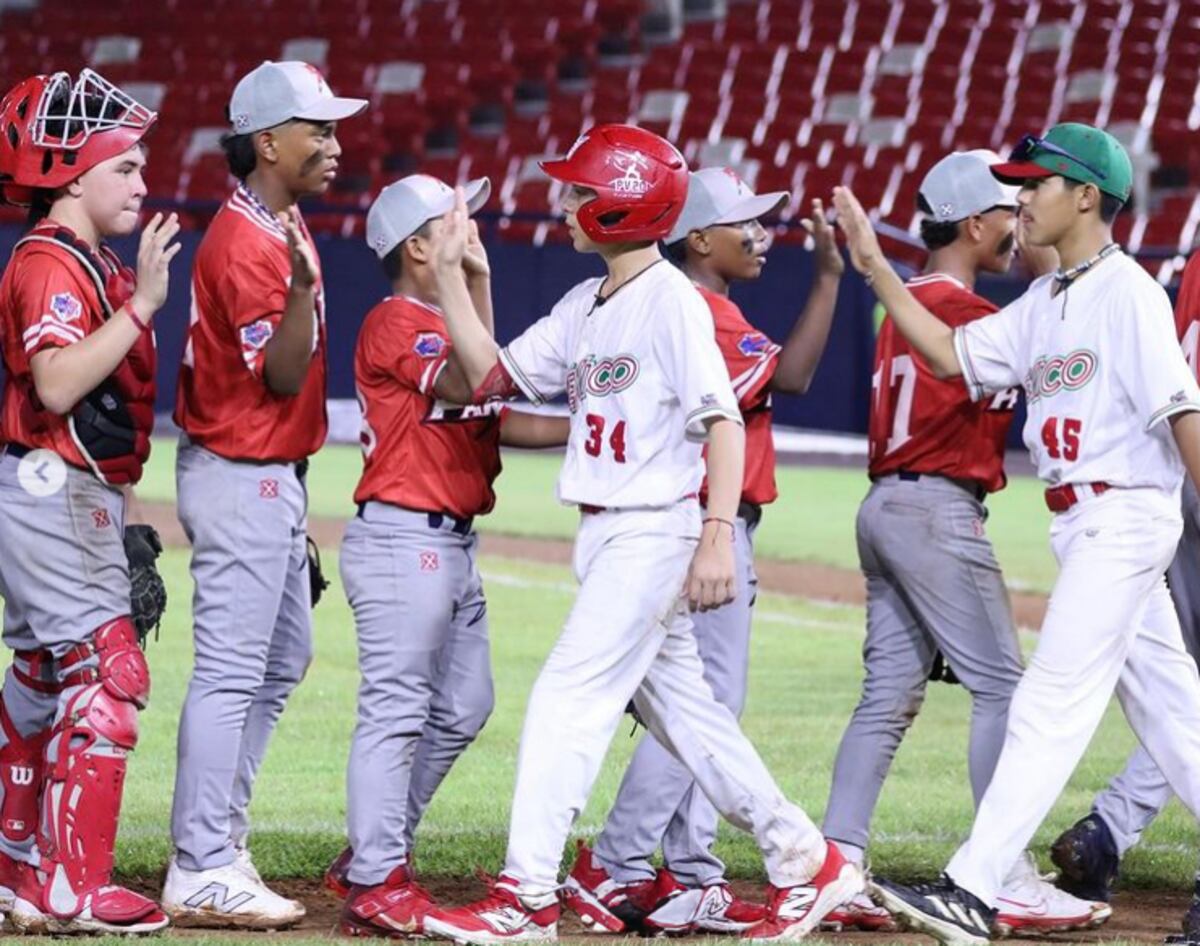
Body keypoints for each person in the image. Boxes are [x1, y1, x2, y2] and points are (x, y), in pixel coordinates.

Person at [415, 124, 863, 945]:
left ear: (625, 205)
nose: (565, 202)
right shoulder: (587, 304)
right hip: (611, 536)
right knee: (692, 721)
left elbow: (723, 423)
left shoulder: (673, 304)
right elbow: (492, 378)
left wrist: (717, 535)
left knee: (565, 699)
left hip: (655, 532)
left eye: (583, 191)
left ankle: (526, 897)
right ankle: (807, 860)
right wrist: (449, 276)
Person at [834, 123, 1200, 946]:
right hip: (1084, 522)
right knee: (1175, 715)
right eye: (1018, 185)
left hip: (1127, 515)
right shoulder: (1047, 302)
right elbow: (947, 354)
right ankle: (980, 881)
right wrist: (874, 268)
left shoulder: (1127, 291)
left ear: (1085, 197)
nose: (1021, 198)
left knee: (1048, 701)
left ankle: (974, 885)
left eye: (1034, 185)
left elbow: (1182, 410)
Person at [823, 150, 1107, 935]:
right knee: (1003, 691)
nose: (1019, 224)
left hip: (884, 503)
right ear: (977, 223)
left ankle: (836, 865)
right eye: (1008, 212)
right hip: (938, 508)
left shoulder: (901, 309)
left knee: (886, 696)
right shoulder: (975, 316)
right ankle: (1004, 872)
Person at [560, 166, 844, 936]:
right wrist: (827, 279)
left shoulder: (694, 306)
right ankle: (615, 864)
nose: (758, 234)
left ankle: (689, 871)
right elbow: (794, 374)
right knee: (702, 711)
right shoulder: (701, 311)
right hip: (702, 528)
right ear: (696, 238)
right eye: (742, 222)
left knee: (697, 706)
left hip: (687, 525)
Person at [331, 173, 570, 938]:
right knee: (397, 711)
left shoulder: (434, 315)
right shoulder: (400, 320)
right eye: (451, 217)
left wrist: (597, 422)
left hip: (447, 541)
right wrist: (470, 286)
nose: (468, 223)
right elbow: (480, 377)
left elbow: (490, 402)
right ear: (418, 246)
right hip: (405, 537)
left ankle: (376, 846)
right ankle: (375, 874)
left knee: (467, 704)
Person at [163, 60, 367, 929]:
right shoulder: (249, 241)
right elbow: (282, 377)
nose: (335, 143)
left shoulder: (274, 219)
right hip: (242, 474)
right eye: (318, 130)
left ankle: (218, 839)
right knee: (231, 671)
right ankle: (202, 861)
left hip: (266, 477)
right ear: (269, 141)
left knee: (281, 660)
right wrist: (294, 296)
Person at [0, 68, 179, 934]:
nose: (143, 184)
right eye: (127, 167)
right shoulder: (49, 263)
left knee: (41, 680)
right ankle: (75, 886)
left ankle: (15, 865)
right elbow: (60, 381)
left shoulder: (78, 259)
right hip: (49, 486)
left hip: (67, 490)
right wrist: (143, 304)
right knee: (109, 677)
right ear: (72, 173)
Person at [1048, 246, 1200, 939]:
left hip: (1172, 465)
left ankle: (1106, 831)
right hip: (1182, 453)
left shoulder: (1184, 263)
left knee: (1178, 687)